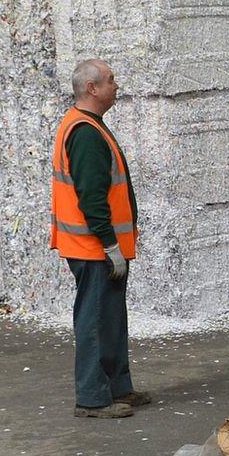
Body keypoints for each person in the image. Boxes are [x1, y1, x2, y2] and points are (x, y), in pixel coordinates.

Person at [50, 58, 145, 418]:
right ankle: (91, 397)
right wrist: (108, 244)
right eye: (110, 80)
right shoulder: (86, 133)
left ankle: (118, 387)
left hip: (101, 247)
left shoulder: (90, 125)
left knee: (111, 317)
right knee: (93, 319)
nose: (116, 85)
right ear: (92, 88)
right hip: (93, 248)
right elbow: (92, 197)